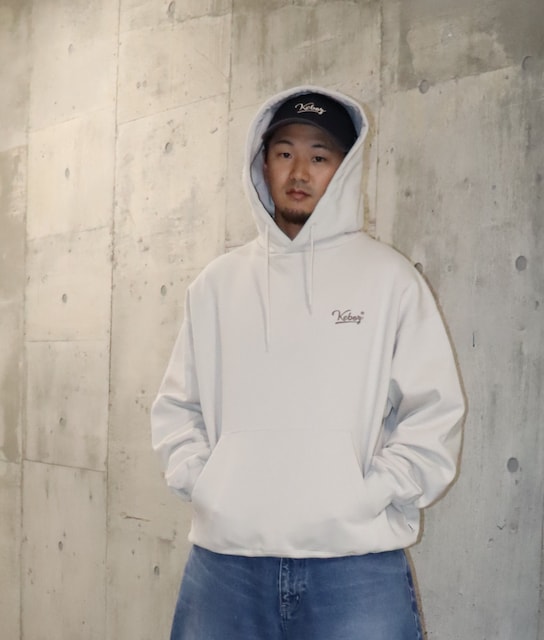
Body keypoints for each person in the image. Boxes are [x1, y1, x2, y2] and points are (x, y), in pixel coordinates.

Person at [151, 86, 465, 640]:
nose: (299, 172)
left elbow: (433, 412)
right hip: (225, 567)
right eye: (284, 153)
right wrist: (208, 485)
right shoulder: (216, 286)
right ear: (263, 163)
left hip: (355, 568)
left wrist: (368, 494)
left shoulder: (390, 280)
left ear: (344, 170)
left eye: (319, 156)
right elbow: (178, 407)